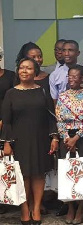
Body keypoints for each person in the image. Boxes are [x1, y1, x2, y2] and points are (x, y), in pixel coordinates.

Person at [1, 57, 59, 225]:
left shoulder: (42, 91)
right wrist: (6, 142)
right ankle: (25, 209)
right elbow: (7, 120)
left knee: (39, 174)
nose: (24, 71)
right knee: (23, 176)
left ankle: (36, 208)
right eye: (21, 68)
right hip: (19, 140)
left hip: (40, 138)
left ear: (35, 72)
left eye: (28, 68)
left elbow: (51, 117)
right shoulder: (11, 93)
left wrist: (54, 137)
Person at [56, 64, 83, 224]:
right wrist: (66, 137)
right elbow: (59, 119)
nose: (71, 79)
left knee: (82, 173)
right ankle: (70, 208)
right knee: (67, 173)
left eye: (75, 76)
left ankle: (81, 208)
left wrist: (77, 137)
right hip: (66, 138)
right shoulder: (62, 96)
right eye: (69, 76)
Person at [49, 40, 83, 105]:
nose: (66, 54)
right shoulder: (54, 75)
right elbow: (55, 100)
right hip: (63, 112)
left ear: (78, 53)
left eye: (70, 50)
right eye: (64, 50)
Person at [0, 46, 15, 215]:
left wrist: (3, 121)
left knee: (5, 163)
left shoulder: (11, 76)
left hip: (7, 123)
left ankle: (5, 199)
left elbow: (14, 100)